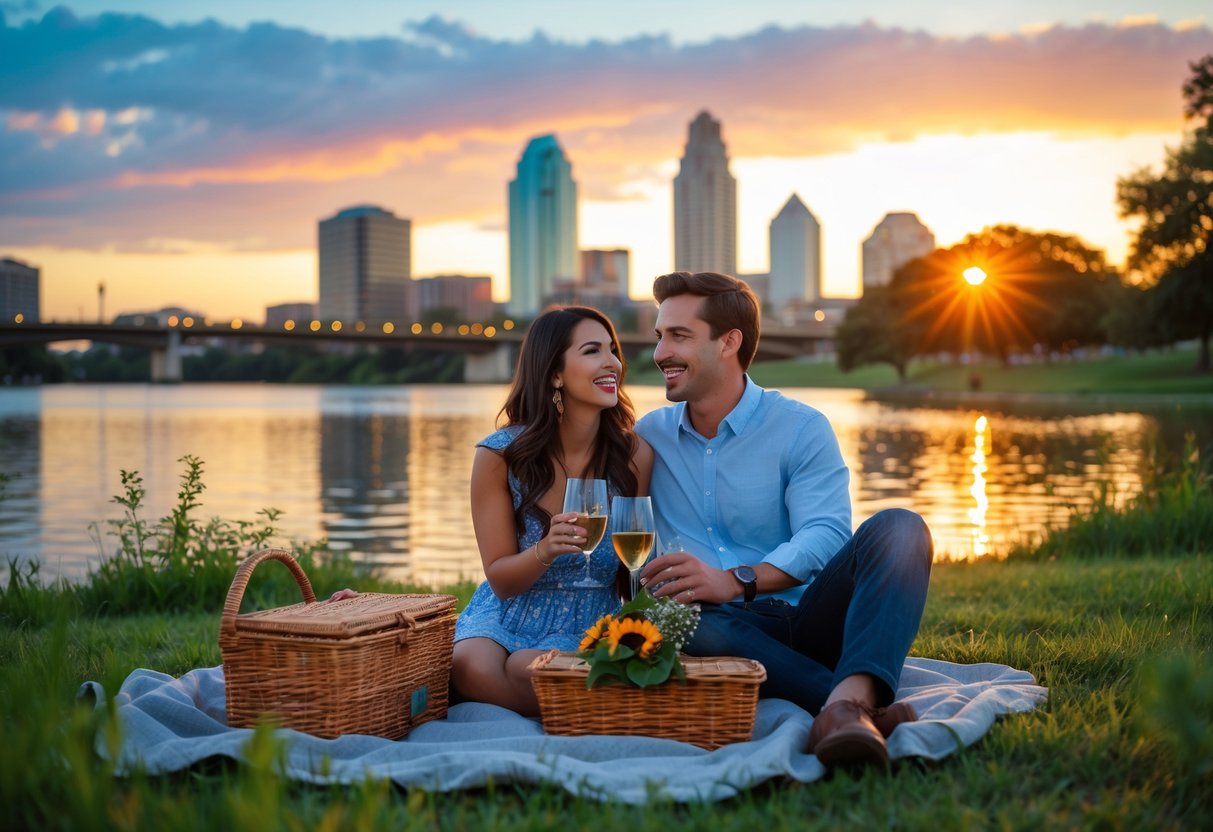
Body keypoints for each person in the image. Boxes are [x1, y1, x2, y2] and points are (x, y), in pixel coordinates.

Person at [635, 272, 933, 769]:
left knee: (901, 527)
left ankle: (839, 700)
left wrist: (735, 580)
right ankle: (849, 708)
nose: (660, 352)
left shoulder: (800, 426)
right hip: (717, 627)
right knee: (678, 619)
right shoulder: (649, 436)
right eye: (660, 336)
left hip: (810, 614)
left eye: (678, 336)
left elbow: (826, 534)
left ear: (729, 342)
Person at [450, 306, 652, 716]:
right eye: (593, 351)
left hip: (594, 612)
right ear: (555, 374)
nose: (612, 362)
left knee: (530, 667)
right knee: (469, 664)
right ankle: (588, 708)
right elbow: (502, 579)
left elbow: (630, 570)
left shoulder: (634, 455)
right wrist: (545, 550)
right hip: (511, 608)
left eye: (613, 350)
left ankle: (570, 703)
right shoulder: (499, 455)